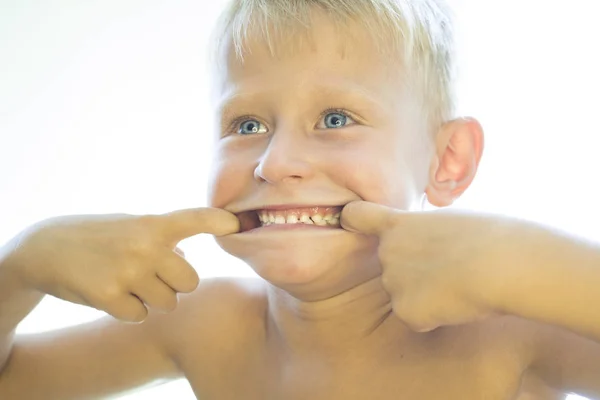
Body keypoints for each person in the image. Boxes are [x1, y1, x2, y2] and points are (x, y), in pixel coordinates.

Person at [1, 0, 600, 398]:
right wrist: (21, 266)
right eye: (247, 125)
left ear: (447, 161)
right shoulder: (207, 325)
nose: (276, 161)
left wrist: (531, 262)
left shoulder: (509, 332)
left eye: (336, 118)